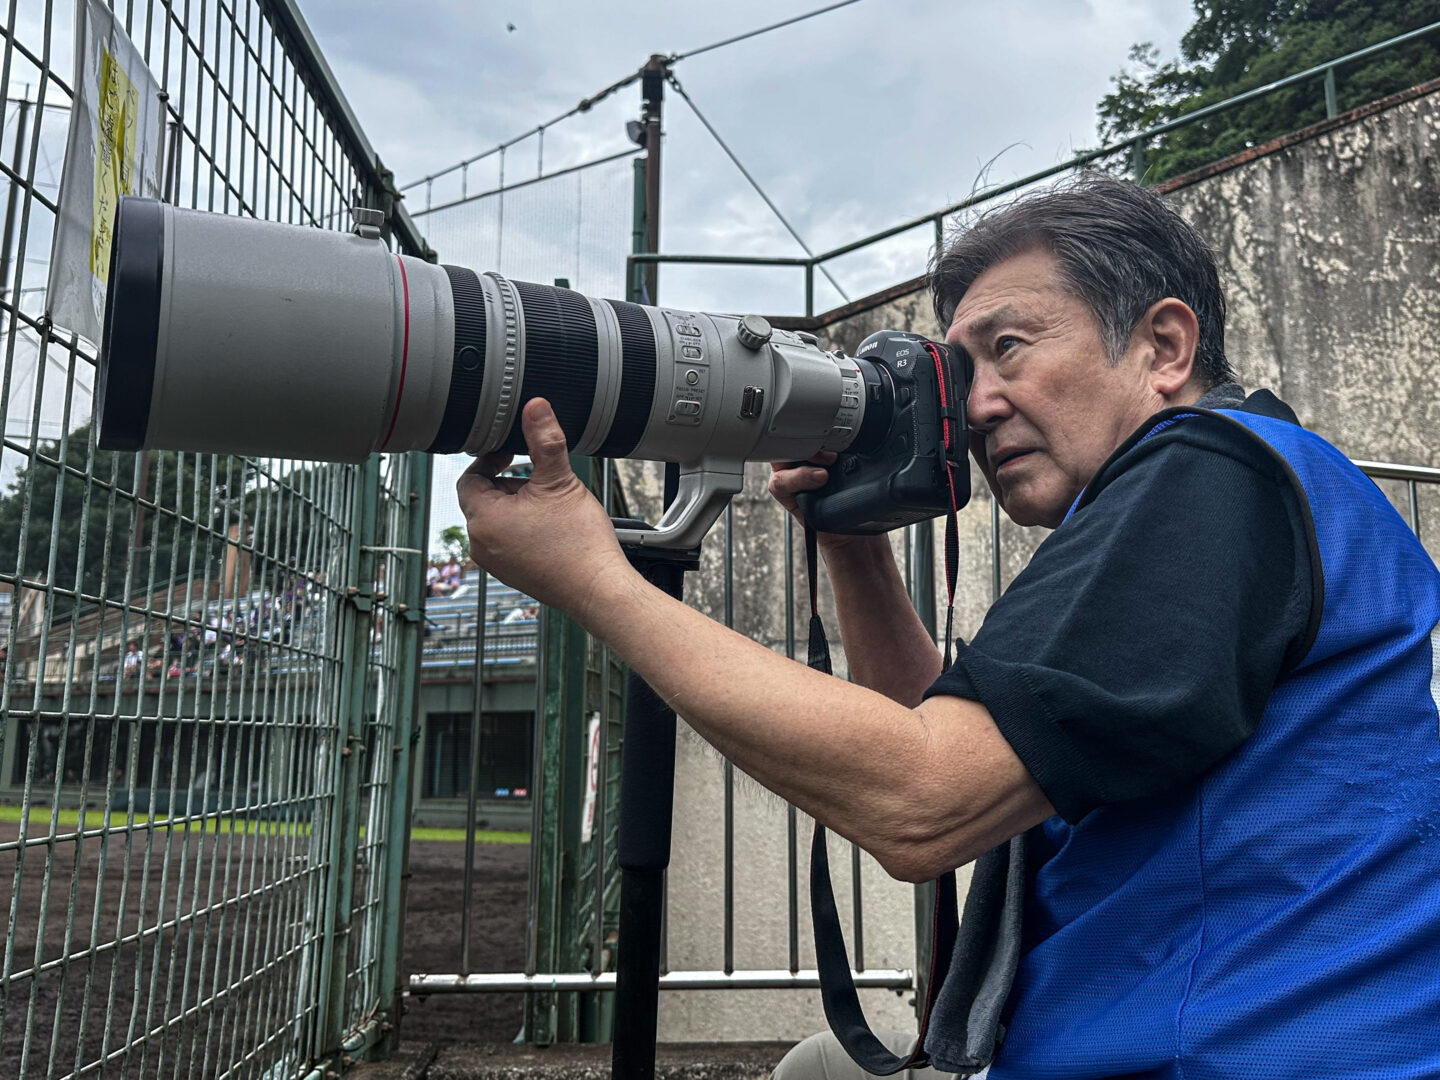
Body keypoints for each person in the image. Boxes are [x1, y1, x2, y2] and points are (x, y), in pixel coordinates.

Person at [455, 176, 1440, 1078]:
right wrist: (852, 545)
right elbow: (955, 739)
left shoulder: (1209, 476)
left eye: (1009, 347)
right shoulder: (1266, 478)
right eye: (964, 369)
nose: (977, 405)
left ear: (1163, 347)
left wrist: (596, 580)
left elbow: (923, 800)